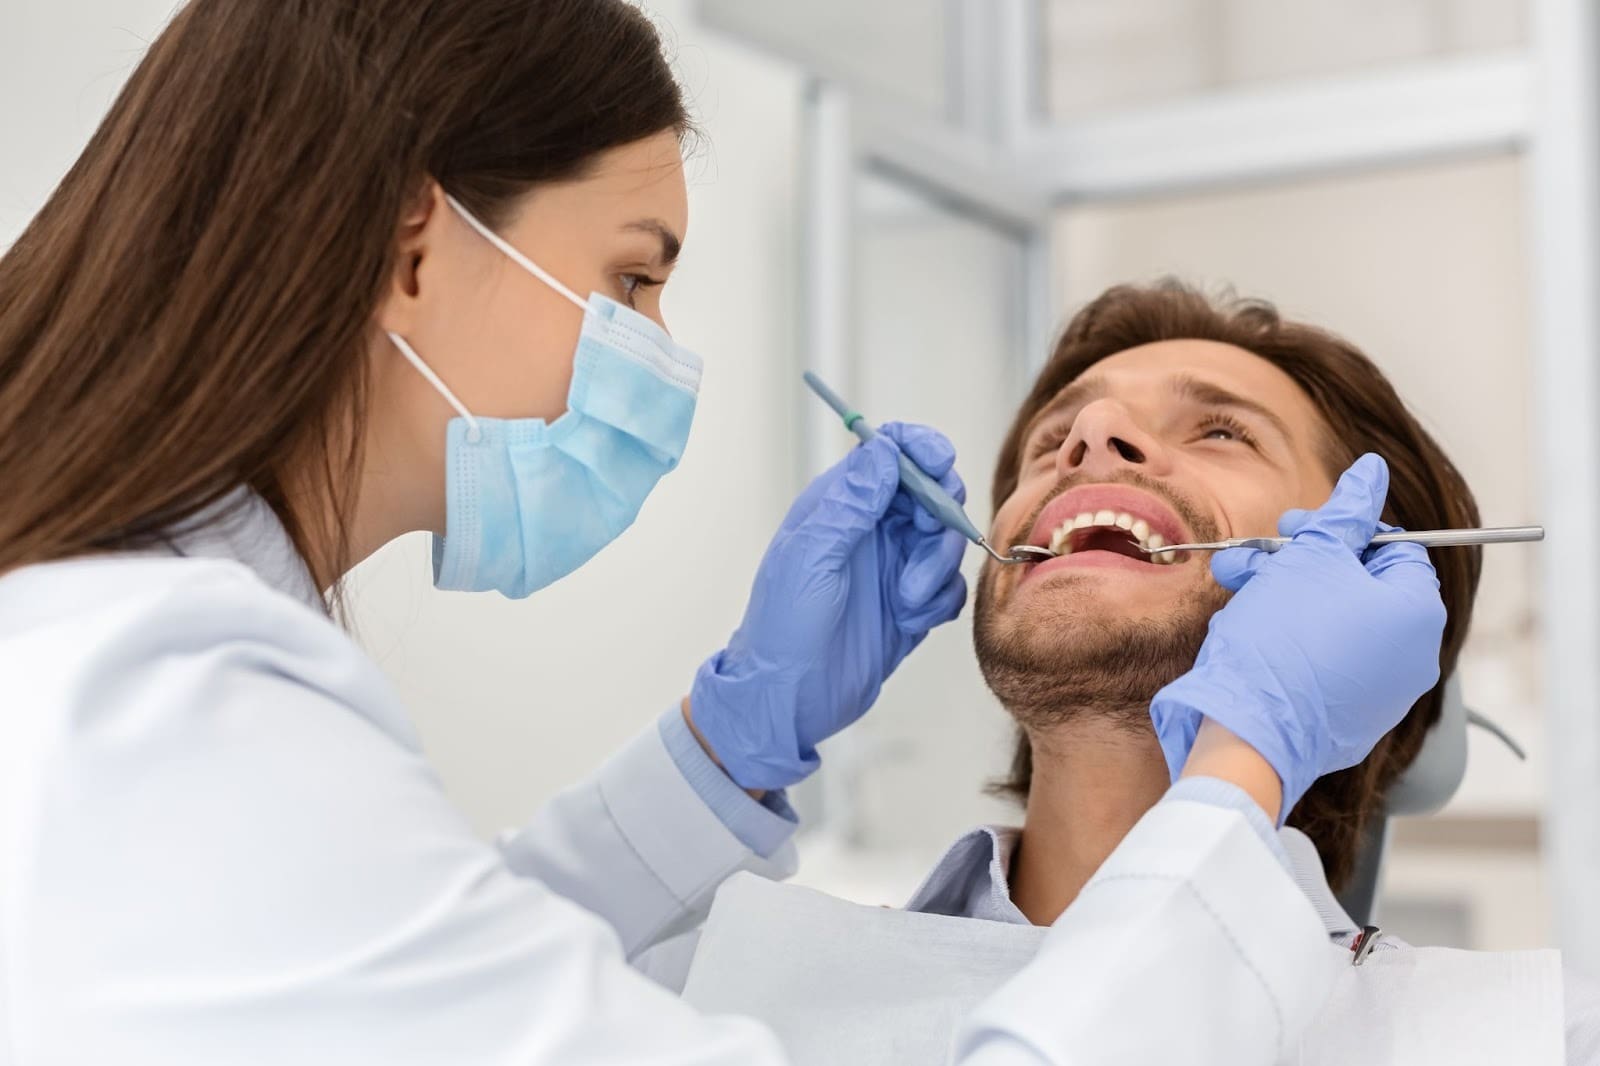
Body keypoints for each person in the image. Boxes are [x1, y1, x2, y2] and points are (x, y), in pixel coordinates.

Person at [0, 3, 1446, 1063]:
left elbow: (376, 961)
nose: (1091, 445)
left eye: (1219, 432)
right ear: (413, 242)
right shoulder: (178, 704)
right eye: (631, 277)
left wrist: (721, 753)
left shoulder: (1492, 1024)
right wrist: (1242, 764)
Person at [672, 283, 1599, 1065]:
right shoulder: (711, 987)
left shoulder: (1531, 1039)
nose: (1092, 435)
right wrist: (727, 746)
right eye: (1053, 437)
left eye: (1222, 433)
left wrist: (1242, 754)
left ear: (1368, 579)